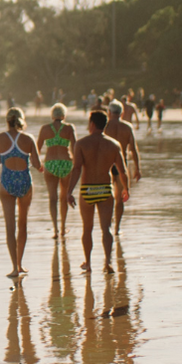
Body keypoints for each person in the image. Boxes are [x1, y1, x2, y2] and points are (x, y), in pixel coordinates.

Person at [67, 111, 129, 274]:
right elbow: (122, 171)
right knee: (106, 228)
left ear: (92, 124)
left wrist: (69, 191)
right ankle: (108, 263)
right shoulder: (114, 145)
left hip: (88, 189)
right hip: (105, 188)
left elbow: (77, 169)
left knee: (87, 229)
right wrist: (125, 189)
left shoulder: (81, 144)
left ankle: (88, 263)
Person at [0, 107, 43, 279]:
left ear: (7, 121)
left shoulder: (0, 138)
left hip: (6, 183)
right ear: (21, 120)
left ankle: (14, 267)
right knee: (23, 224)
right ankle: (21, 264)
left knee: (10, 226)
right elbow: (37, 164)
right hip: (24, 182)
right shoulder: (28, 138)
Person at [37, 104, 75, 239]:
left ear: (52, 115)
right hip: (66, 163)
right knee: (64, 197)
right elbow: (74, 148)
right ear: (63, 116)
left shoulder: (45, 129)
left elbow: (37, 149)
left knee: (52, 198)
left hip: (50, 163)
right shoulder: (69, 128)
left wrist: (38, 165)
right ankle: (63, 228)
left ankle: (55, 230)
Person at [105, 100, 141, 234]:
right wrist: (138, 168)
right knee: (120, 198)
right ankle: (117, 228)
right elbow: (133, 149)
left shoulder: (105, 126)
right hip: (122, 164)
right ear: (122, 113)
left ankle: (107, 223)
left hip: (106, 164)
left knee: (107, 196)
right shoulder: (127, 127)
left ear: (109, 112)